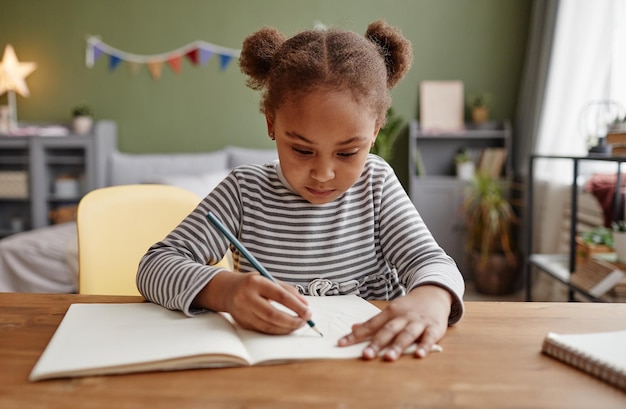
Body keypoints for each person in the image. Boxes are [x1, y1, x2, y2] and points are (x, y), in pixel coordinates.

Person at [137, 20, 464, 362]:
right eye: (303, 150)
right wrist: (224, 291)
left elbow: (429, 260)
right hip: (272, 372)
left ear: (376, 131)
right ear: (271, 125)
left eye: (348, 152)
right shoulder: (244, 191)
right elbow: (154, 267)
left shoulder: (376, 183)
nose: (323, 174)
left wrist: (434, 298)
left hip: (372, 364)